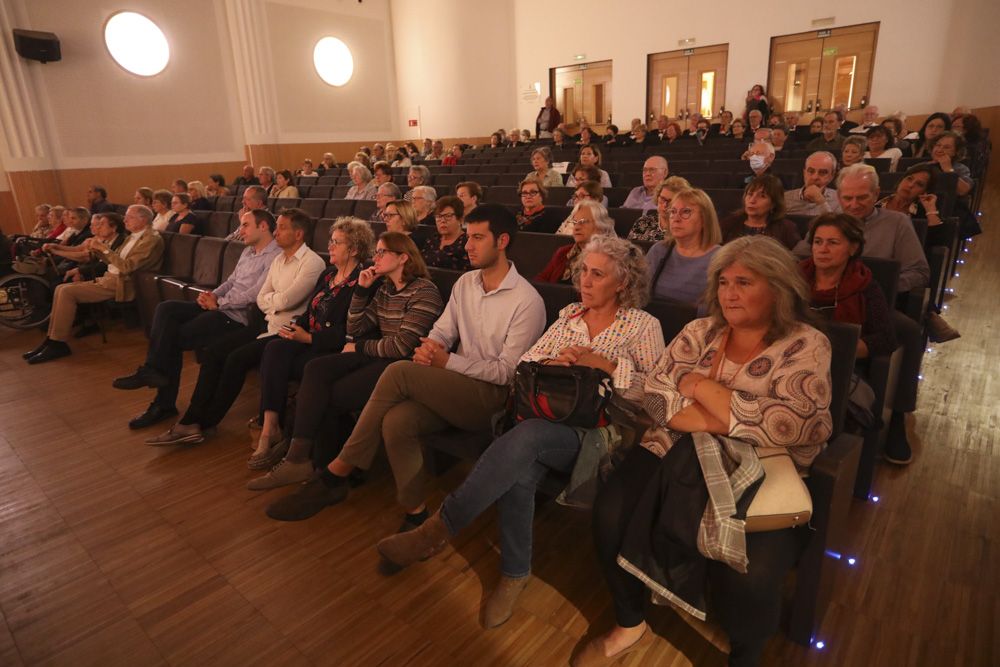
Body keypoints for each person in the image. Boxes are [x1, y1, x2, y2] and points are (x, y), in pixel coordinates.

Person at [374, 235, 665, 631]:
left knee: (526, 439)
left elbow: (654, 397)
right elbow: (526, 363)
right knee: (522, 464)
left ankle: (435, 532)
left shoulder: (643, 326)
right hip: (548, 419)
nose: (585, 281)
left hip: (601, 433)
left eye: (598, 274)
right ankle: (514, 572)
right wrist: (556, 362)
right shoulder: (569, 316)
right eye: (583, 272)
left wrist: (608, 366)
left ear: (623, 283)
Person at [579, 235, 832, 667]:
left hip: (760, 469)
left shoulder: (805, 344)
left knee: (750, 578)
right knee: (609, 514)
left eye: (744, 282)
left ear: (778, 286)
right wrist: (720, 415)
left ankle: (745, 655)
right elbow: (656, 394)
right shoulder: (700, 332)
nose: (730, 294)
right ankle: (629, 619)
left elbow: (793, 422)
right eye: (724, 282)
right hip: (671, 448)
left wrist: (699, 387)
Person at [264, 203, 545, 533]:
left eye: (478, 238)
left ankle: (336, 471)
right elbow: (443, 329)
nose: (467, 245)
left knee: (397, 370)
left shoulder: (527, 300)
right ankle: (415, 513)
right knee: (397, 421)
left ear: (502, 241)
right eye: (467, 237)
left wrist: (446, 360)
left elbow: (507, 373)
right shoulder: (466, 284)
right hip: (454, 382)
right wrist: (432, 346)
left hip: (492, 398)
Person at [248, 231, 443, 488]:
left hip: (403, 367)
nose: (376, 257)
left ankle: (318, 468)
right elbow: (354, 330)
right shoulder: (385, 289)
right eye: (377, 251)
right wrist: (361, 292)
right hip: (377, 354)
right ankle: (301, 460)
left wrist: (358, 346)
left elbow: (401, 346)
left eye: (383, 252)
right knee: (316, 368)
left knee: (330, 395)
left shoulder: (424, 291)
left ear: (403, 257)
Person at [138, 208, 326, 440]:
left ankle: (203, 421)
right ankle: (191, 420)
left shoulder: (312, 262)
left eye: (282, 227)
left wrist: (267, 301)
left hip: (285, 331)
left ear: (298, 234)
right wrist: (221, 297)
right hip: (265, 324)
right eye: (276, 226)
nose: (277, 232)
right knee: (213, 353)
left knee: (234, 359)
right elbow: (261, 298)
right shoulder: (279, 259)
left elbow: (286, 300)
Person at [112, 209, 282, 428]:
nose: (240, 230)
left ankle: (162, 399)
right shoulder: (248, 251)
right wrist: (212, 295)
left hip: (236, 316)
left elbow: (255, 294)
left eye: (245, 225)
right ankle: (153, 371)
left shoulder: (275, 256)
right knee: (166, 309)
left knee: (171, 338)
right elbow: (231, 281)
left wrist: (219, 303)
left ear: (263, 226)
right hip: (219, 306)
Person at [246, 218, 374, 469]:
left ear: (354, 249)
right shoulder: (328, 274)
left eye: (337, 242)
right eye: (330, 241)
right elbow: (311, 308)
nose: (330, 247)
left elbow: (352, 329)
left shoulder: (363, 281)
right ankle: (270, 428)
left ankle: (294, 438)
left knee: (298, 365)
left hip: (330, 346)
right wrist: (298, 325)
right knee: (274, 348)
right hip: (307, 337)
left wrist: (310, 337)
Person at [835, 164, 928, 465]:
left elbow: (920, 271)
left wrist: (883, 287)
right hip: (829, 302)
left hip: (876, 305)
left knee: (911, 330)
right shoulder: (828, 223)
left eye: (861, 197)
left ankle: (898, 414)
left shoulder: (897, 223)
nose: (853, 205)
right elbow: (799, 256)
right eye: (847, 198)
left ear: (876, 194)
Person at [24, 205, 164, 364]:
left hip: (122, 283)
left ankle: (57, 343)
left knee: (66, 292)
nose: (124, 219)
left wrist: (104, 250)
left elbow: (127, 267)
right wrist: (98, 251)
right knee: (61, 288)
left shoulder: (151, 239)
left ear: (143, 219)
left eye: (129, 217)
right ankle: (51, 340)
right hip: (109, 278)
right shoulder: (133, 236)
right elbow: (112, 262)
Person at [801, 213, 896, 361]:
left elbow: (885, 340)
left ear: (853, 248)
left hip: (842, 363)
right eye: (818, 242)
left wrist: (832, 350)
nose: (823, 249)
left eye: (832, 242)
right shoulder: (793, 278)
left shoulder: (865, 285)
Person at [644, 187, 722, 307]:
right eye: (673, 212)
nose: (676, 218)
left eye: (686, 212)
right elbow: (640, 294)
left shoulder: (719, 258)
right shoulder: (658, 250)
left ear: (704, 219)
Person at [536, 200, 615, 283]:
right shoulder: (563, 252)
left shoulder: (610, 258)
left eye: (583, 222)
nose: (576, 227)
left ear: (600, 226)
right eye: (574, 222)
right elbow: (541, 280)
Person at [722, 175, 800, 250]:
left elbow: (793, 259)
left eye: (762, 196)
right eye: (750, 194)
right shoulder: (729, 224)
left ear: (774, 203)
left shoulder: (786, 229)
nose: (752, 200)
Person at [625, 176, 691, 243]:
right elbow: (629, 250)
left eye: (670, 201)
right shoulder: (642, 222)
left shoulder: (685, 229)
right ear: (657, 197)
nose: (665, 205)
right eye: (662, 199)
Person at [783, 151, 841, 216]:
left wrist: (821, 202)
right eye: (811, 171)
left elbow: (835, 225)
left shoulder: (839, 199)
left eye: (822, 172)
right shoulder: (785, 198)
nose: (815, 177)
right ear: (804, 173)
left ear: (832, 176)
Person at [420, 196, 471, 271]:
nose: (442, 220)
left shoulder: (467, 242)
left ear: (460, 219)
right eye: (439, 216)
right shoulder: (433, 238)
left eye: (448, 216)